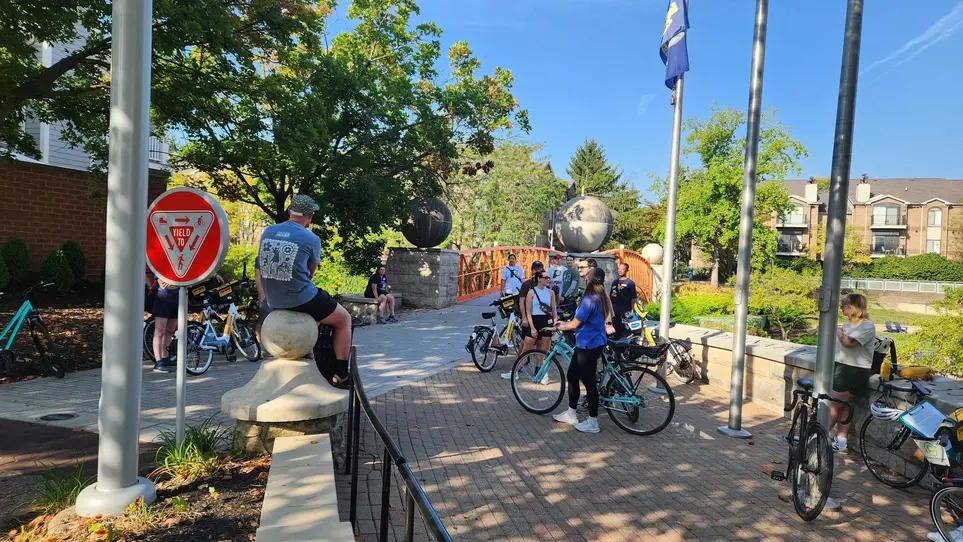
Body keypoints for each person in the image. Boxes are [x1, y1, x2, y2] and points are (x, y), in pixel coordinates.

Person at [255, 194, 353, 389]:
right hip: (300, 297)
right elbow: (310, 272)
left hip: (272, 300)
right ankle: (341, 373)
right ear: (311, 216)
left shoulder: (268, 232)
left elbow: (260, 266)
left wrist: (265, 297)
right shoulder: (311, 238)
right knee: (344, 319)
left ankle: (308, 354)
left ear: (290, 211)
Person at [552, 268, 615, 433]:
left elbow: (574, 324)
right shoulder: (602, 297)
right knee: (572, 375)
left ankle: (593, 422)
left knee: (589, 383)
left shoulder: (588, 300)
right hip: (594, 342)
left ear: (587, 279)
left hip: (588, 345)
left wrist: (558, 326)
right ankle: (572, 412)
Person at [827, 293, 875, 452]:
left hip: (854, 370)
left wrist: (837, 330)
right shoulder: (847, 325)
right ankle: (841, 443)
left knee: (835, 405)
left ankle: (816, 435)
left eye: (845, 306)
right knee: (845, 408)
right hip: (842, 366)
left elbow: (848, 342)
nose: (842, 309)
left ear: (854, 307)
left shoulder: (866, 326)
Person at [501, 260, 544, 379]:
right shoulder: (527, 284)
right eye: (536, 269)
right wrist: (524, 318)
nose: (538, 271)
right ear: (532, 270)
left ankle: (539, 372)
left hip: (543, 320)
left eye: (540, 269)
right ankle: (516, 371)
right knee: (524, 346)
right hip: (530, 320)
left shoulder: (546, 284)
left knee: (541, 347)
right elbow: (521, 302)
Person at [147, 266, 178, 373]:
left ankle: (165, 358)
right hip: (164, 296)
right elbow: (156, 266)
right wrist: (159, 279)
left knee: (170, 331)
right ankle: (158, 361)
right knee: (159, 331)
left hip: (178, 294)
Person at [526, 270, 557, 353]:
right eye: (546, 278)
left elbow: (554, 309)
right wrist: (532, 327)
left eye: (549, 278)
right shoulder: (531, 292)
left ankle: (539, 365)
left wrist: (555, 321)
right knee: (526, 349)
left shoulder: (551, 292)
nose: (548, 280)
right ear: (539, 279)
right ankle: (519, 365)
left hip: (547, 320)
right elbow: (528, 311)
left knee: (544, 350)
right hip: (535, 319)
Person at [609, 262, 638, 340]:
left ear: (627, 270)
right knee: (616, 333)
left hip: (625, 314)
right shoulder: (614, 282)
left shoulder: (630, 283)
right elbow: (611, 296)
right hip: (615, 313)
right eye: (619, 269)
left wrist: (632, 311)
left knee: (625, 334)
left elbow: (633, 298)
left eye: (623, 269)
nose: (620, 270)